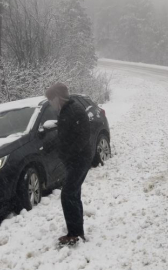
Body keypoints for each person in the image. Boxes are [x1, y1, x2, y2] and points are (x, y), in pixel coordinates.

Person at [45, 83, 92, 246]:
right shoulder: (67, 111)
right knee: (73, 193)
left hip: (79, 159)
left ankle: (75, 233)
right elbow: (66, 136)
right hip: (77, 159)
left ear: (58, 97)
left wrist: (69, 152)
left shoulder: (73, 111)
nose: (51, 103)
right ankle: (77, 231)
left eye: (51, 99)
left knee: (68, 194)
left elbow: (81, 136)